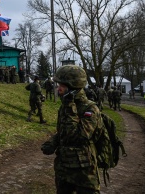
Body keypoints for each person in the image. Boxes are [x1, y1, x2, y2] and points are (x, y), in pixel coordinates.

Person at [41, 65, 103, 193]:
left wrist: (70, 108)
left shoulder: (90, 109)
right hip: (64, 168)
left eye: (61, 85)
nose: (58, 88)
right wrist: (53, 142)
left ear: (72, 86)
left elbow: (79, 136)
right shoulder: (66, 105)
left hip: (84, 170)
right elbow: (64, 131)